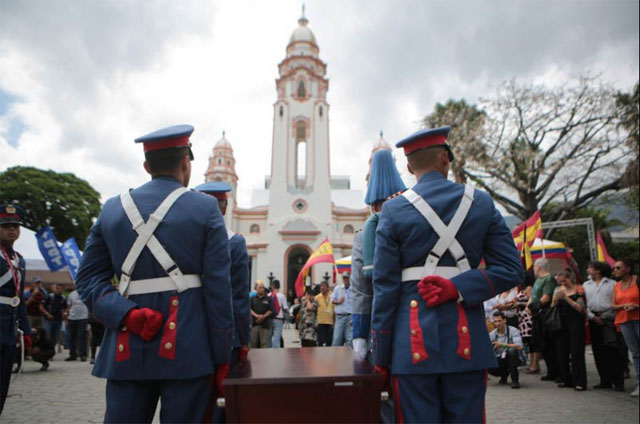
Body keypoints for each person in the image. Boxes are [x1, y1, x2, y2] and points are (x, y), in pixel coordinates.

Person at [75, 124, 233, 423]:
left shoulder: (111, 209)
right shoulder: (206, 208)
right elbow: (217, 291)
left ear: (147, 166)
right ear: (186, 162)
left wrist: (123, 313)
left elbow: (86, 280)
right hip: (189, 347)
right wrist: (222, 356)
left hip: (126, 346)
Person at [371, 126, 523, 423]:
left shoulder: (392, 211)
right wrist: (460, 287)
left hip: (410, 345)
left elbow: (385, 290)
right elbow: (510, 269)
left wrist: (381, 356)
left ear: (409, 166)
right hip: (466, 342)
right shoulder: (481, 203)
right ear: (445, 158)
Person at [352, 149, 406, 360]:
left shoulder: (364, 235)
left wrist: (359, 336)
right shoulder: (417, 224)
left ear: (373, 206)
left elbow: (362, 291)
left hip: (382, 323)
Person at [195, 181, 250, 363]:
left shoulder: (185, 241)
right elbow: (239, 296)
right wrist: (243, 338)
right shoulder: (235, 242)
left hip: (188, 329)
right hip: (225, 333)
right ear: (224, 208)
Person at [0, 204, 31, 416]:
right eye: (6, 226)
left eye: (15, 226)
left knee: (3, 384)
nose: (12, 230)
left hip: (9, 331)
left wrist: (26, 331)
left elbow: (17, 298)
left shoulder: (19, 259)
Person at [584, 260, 624, 391]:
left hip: (609, 319)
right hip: (593, 318)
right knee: (598, 351)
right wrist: (592, 316)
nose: (588, 270)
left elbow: (615, 302)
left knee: (613, 350)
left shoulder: (612, 284)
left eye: (590, 267)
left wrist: (605, 316)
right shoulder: (586, 285)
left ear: (598, 270)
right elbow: (586, 304)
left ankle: (617, 381)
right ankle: (604, 379)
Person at [551, 270, 587, 391]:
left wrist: (566, 297)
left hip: (576, 323)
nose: (563, 284)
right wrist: (555, 298)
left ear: (570, 278)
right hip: (562, 324)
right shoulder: (558, 289)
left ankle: (580, 381)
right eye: (560, 282)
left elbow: (581, 308)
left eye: (565, 281)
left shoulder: (579, 289)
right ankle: (565, 378)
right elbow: (553, 306)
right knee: (562, 351)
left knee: (576, 352)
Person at [612, 258, 639, 397]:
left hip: (638, 318)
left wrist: (636, 306)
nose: (615, 270)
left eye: (618, 268)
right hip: (624, 321)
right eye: (615, 268)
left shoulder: (637, 281)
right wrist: (624, 306)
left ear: (628, 269)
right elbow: (612, 306)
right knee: (635, 353)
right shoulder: (616, 285)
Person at [528, 258, 558, 381]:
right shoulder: (537, 280)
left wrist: (535, 306)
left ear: (539, 267)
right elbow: (533, 296)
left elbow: (546, 297)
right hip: (537, 315)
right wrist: (528, 307)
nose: (534, 269)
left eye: (534, 266)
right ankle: (551, 371)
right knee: (542, 343)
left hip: (545, 315)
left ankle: (555, 371)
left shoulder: (548, 279)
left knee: (549, 343)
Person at [488, 311, 524, 389]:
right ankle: (504, 375)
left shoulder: (513, 330)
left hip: (514, 357)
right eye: (495, 321)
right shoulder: (492, 334)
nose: (497, 323)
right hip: (499, 358)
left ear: (505, 320)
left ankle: (515, 380)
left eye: (499, 321)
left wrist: (502, 345)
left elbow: (519, 346)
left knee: (511, 351)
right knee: (486, 361)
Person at [65, 288, 89, 362]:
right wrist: (66, 316)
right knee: (72, 337)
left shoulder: (86, 292)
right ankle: (72, 355)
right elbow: (69, 306)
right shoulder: (71, 294)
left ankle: (82, 355)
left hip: (83, 317)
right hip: (72, 317)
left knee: (82, 336)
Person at [331, 272, 353, 347]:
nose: (345, 279)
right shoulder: (338, 288)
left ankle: (348, 357)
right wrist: (338, 301)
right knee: (337, 339)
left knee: (350, 339)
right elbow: (332, 300)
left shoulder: (353, 289)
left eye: (347, 278)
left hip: (350, 317)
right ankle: (335, 357)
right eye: (344, 278)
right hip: (340, 317)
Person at [250, 280, 272, 348]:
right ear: (256, 288)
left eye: (263, 287)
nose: (262, 289)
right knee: (253, 343)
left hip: (265, 325)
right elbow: (249, 309)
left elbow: (271, 310)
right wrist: (257, 316)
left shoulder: (268, 299)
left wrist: (263, 316)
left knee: (264, 344)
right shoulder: (252, 299)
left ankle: (263, 358)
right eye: (260, 287)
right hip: (254, 324)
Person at [44, 284, 67, 350]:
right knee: (48, 335)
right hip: (49, 319)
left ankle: (51, 350)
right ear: (56, 289)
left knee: (55, 337)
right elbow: (41, 306)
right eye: (58, 288)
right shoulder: (50, 296)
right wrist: (47, 314)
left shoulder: (63, 298)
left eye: (61, 288)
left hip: (58, 320)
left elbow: (65, 308)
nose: (59, 290)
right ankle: (46, 349)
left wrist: (65, 314)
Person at [269, 280, 288, 349]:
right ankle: (275, 354)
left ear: (272, 286)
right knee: (276, 339)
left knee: (269, 338)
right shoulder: (282, 296)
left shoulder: (269, 295)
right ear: (279, 286)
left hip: (270, 318)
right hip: (279, 319)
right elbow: (285, 308)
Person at [315, 281, 334, 347]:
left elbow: (334, 311)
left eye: (324, 286)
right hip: (321, 322)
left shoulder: (332, 297)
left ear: (327, 288)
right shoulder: (317, 298)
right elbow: (315, 310)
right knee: (320, 342)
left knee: (329, 342)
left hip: (330, 323)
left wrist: (334, 322)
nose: (322, 287)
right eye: (321, 286)